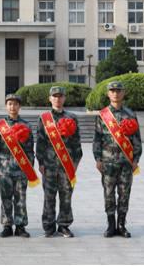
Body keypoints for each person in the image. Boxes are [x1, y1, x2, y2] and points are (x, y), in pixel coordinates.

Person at [93, 81, 142, 238]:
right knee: (108, 193)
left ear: (123, 93)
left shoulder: (131, 114)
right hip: (108, 162)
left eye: (118, 90)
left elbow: (137, 139)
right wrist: (98, 159)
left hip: (126, 162)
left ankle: (121, 225)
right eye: (112, 91)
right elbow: (97, 139)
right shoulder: (103, 115)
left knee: (124, 193)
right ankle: (111, 225)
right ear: (108, 94)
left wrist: (136, 159)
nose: (115, 93)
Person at [36, 86, 82, 238]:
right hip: (49, 165)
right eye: (54, 96)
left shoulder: (72, 118)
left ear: (64, 98)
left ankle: (64, 225)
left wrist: (75, 163)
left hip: (67, 164)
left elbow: (76, 143)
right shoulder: (44, 118)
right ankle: (48, 226)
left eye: (60, 96)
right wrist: (40, 162)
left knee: (66, 196)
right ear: (50, 98)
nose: (57, 99)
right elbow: (40, 142)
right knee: (49, 196)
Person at [0, 94, 38, 238]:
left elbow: (30, 149)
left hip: (21, 167)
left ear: (19, 106)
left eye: (15, 104)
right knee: (5, 197)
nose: (12, 107)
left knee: (20, 197)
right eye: (10, 104)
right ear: (6, 106)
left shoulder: (26, 125)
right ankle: (7, 225)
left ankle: (20, 226)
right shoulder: (0, 126)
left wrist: (29, 167)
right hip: (4, 166)